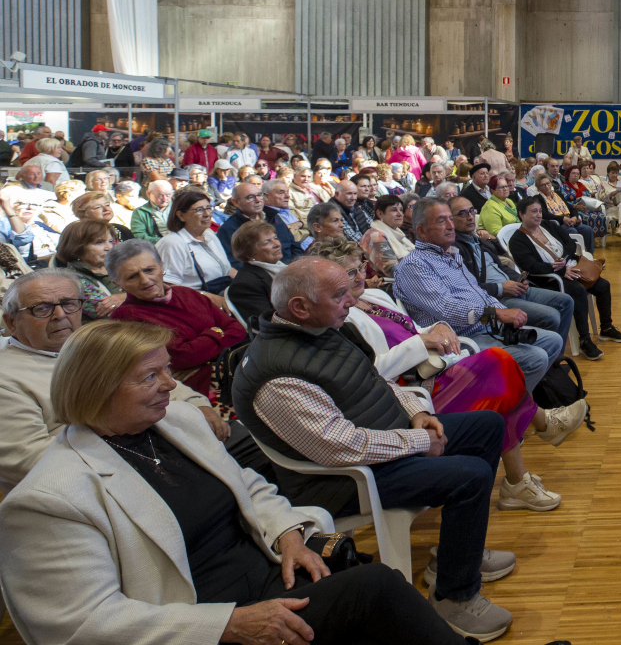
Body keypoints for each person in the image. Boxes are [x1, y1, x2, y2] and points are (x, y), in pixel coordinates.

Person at [0, 317, 482, 645]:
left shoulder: (173, 424)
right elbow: (80, 625)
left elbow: (250, 485)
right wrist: (227, 625)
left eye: (168, 370)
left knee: (378, 602)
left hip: (269, 571)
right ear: (97, 390)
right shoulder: (49, 498)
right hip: (202, 617)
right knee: (376, 589)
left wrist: (288, 533)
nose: (171, 385)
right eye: (151, 376)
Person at [232, 258, 519, 640]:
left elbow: (378, 382)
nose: (351, 299)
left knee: (487, 427)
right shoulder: (275, 373)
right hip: (343, 480)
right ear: (299, 307)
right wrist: (419, 441)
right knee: (471, 475)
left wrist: (417, 411)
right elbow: (339, 447)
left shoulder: (325, 329)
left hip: (383, 444)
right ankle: (455, 595)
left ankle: (457, 554)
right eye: (338, 294)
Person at [308, 237, 578, 499]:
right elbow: (372, 372)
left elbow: (413, 330)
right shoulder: (341, 317)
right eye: (349, 272)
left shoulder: (374, 295)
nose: (359, 276)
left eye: (360, 267)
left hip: (432, 371)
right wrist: (421, 341)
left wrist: (435, 328)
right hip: (409, 394)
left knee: (499, 375)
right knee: (497, 365)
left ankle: (520, 478)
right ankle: (540, 430)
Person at [0, 271, 222, 492]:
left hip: (165, 445)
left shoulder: (98, 344)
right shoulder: (6, 377)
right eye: (41, 308)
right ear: (11, 322)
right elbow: (29, 461)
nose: (60, 315)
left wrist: (197, 404)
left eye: (69, 304)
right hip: (94, 488)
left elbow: (162, 380)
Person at [393, 197, 565, 393]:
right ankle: (512, 411)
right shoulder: (415, 265)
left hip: (485, 326)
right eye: (442, 221)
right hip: (461, 340)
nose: (451, 226)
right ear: (421, 231)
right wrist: (497, 314)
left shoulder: (450, 256)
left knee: (553, 341)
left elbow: (480, 294)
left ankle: (511, 398)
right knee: (536, 358)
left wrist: (503, 314)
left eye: (451, 219)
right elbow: (447, 310)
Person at [107, 238, 245, 394]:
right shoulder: (125, 317)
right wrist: (216, 332)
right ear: (118, 284)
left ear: (162, 267)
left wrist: (201, 347)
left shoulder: (186, 293)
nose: (145, 280)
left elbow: (237, 330)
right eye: (132, 277)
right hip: (193, 392)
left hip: (233, 373)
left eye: (149, 270)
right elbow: (182, 357)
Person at [507, 194, 621, 362]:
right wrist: (560, 271)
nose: (539, 215)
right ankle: (584, 339)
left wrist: (564, 261)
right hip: (548, 280)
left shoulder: (549, 225)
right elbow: (531, 266)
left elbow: (570, 243)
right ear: (521, 214)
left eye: (540, 211)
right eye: (534, 211)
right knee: (578, 291)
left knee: (603, 285)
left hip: (570, 268)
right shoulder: (517, 240)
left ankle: (606, 327)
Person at [157, 189, 237, 294]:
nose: (207, 214)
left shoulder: (209, 235)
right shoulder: (172, 243)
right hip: (197, 302)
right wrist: (208, 298)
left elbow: (226, 270)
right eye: (199, 210)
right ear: (181, 215)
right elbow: (170, 287)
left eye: (209, 208)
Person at [217, 179, 297, 271]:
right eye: (250, 197)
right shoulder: (229, 228)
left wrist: (295, 266)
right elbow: (235, 263)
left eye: (259, 195)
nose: (258, 200)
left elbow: (294, 245)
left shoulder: (273, 216)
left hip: (291, 269)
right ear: (236, 202)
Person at [55, 220, 128, 320]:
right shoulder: (74, 280)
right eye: (99, 242)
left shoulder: (116, 266)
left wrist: (124, 297)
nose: (108, 247)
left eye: (110, 241)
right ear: (77, 247)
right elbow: (112, 314)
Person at [226, 220, 287, 328]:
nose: (277, 244)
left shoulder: (282, 267)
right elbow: (266, 322)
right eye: (267, 242)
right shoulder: (245, 284)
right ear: (250, 253)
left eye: (275, 238)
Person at [532, 173, 595, 253]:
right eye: (543, 185)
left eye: (548, 183)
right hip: (558, 224)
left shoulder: (558, 194)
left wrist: (574, 217)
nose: (547, 186)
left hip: (569, 220)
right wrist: (563, 219)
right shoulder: (538, 198)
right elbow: (545, 215)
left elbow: (570, 208)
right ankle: (575, 256)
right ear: (538, 188)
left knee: (587, 229)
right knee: (572, 231)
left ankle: (590, 255)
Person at [559, 164, 608, 243]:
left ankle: (593, 238)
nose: (576, 175)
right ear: (568, 175)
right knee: (585, 217)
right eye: (573, 173)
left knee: (600, 214)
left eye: (578, 174)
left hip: (586, 208)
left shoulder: (582, 185)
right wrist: (575, 206)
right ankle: (586, 239)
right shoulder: (564, 187)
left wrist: (594, 206)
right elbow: (562, 202)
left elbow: (589, 197)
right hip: (573, 210)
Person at [129, 177, 176, 244]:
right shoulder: (140, 212)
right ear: (148, 194)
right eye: (160, 196)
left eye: (168, 195)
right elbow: (139, 236)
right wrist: (164, 241)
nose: (164, 199)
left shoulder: (178, 208)